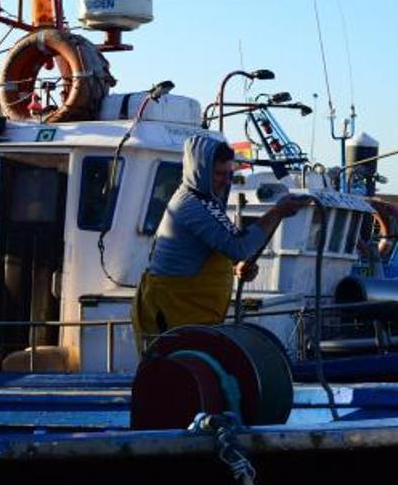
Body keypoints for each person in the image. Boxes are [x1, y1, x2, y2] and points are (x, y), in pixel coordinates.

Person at [132, 135, 308, 352]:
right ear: (200, 172)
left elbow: (215, 250)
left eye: (229, 173)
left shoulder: (206, 201)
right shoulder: (192, 205)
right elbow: (240, 247)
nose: (226, 181)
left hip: (192, 320)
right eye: (218, 174)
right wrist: (277, 212)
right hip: (173, 317)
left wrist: (234, 267)